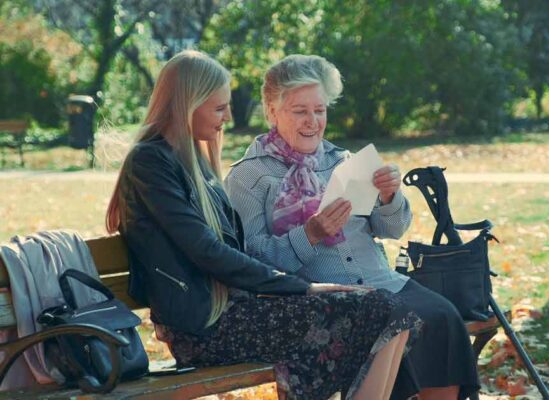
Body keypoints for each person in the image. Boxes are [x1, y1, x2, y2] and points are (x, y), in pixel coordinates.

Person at [105, 50, 422, 400]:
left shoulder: (192, 158)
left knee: (392, 308)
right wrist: (301, 288)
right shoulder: (151, 162)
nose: (228, 116)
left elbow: (228, 250)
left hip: (236, 308)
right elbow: (206, 251)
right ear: (187, 104)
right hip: (203, 326)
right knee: (379, 309)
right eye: (219, 107)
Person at [225, 54, 480, 400]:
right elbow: (253, 262)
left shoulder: (344, 161)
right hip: (328, 299)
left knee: (442, 317)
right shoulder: (248, 176)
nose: (312, 121)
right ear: (271, 111)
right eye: (300, 111)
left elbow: (391, 229)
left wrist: (390, 196)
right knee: (394, 325)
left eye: (320, 110)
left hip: (382, 283)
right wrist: (310, 234)